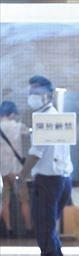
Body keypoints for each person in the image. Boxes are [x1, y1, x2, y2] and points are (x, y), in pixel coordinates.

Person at [17, 76, 73, 256]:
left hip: (48, 182)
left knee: (44, 232)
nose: (32, 96)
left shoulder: (43, 120)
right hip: (63, 180)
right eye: (30, 91)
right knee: (49, 230)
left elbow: (35, 154)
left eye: (36, 91)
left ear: (48, 94)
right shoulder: (58, 118)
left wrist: (22, 175)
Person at [0, 101, 32, 238]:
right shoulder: (18, 126)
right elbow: (32, 133)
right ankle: (29, 229)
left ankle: (9, 230)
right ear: (12, 113)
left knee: (5, 201)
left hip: (3, 170)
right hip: (17, 170)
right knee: (24, 200)